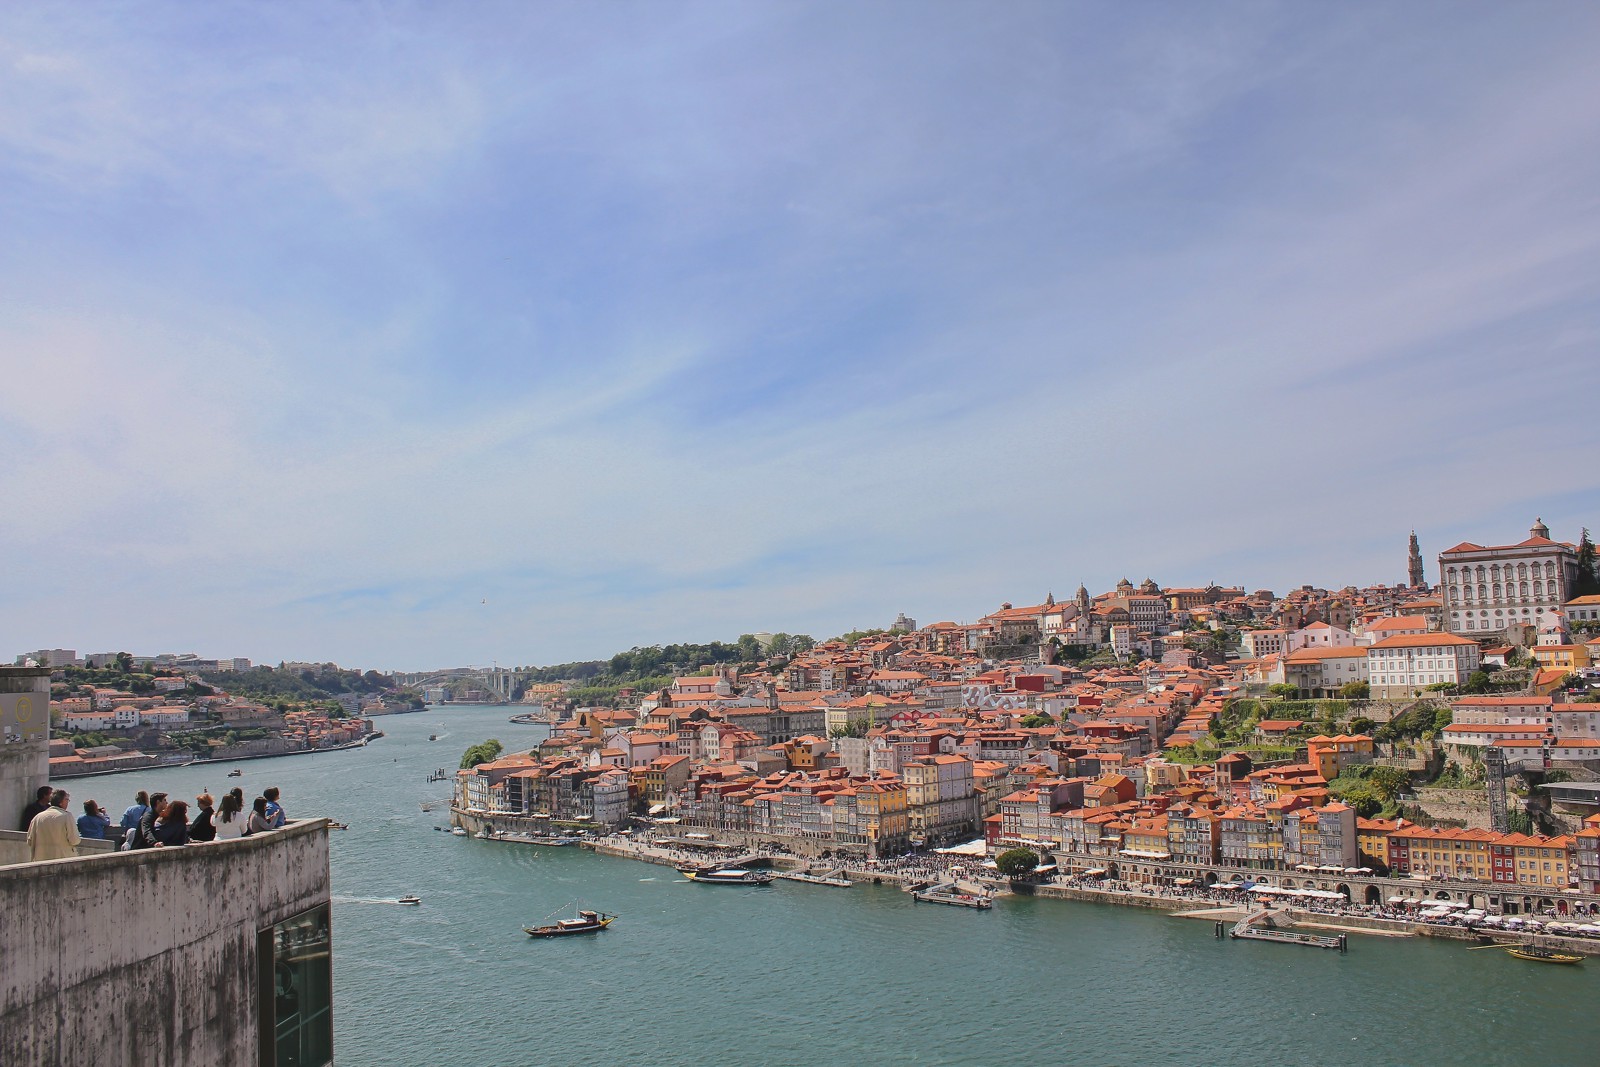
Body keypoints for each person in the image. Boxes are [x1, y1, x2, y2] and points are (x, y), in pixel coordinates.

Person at [28, 789, 80, 861]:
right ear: (61, 802)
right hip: (62, 860)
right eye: (67, 799)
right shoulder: (66, 816)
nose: (68, 802)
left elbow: (30, 840)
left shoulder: (38, 817)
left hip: (41, 860)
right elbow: (74, 840)